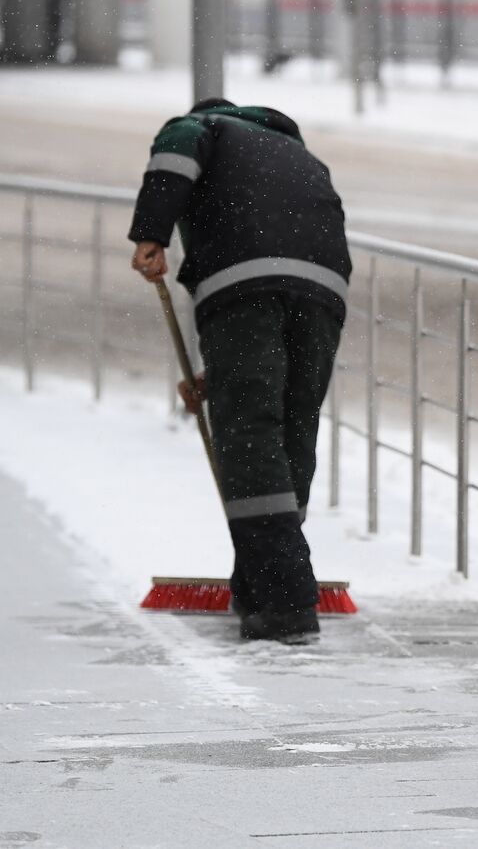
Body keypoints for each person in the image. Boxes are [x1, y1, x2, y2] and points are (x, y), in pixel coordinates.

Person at [128, 99, 352, 644]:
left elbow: (177, 145)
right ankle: (259, 581)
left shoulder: (204, 126)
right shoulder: (299, 155)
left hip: (241, 286)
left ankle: (285, 602)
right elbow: (278, 259)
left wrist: (151, 231)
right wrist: (216, 377)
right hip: (324, 290)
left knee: (250, 436)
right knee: (294, 428)